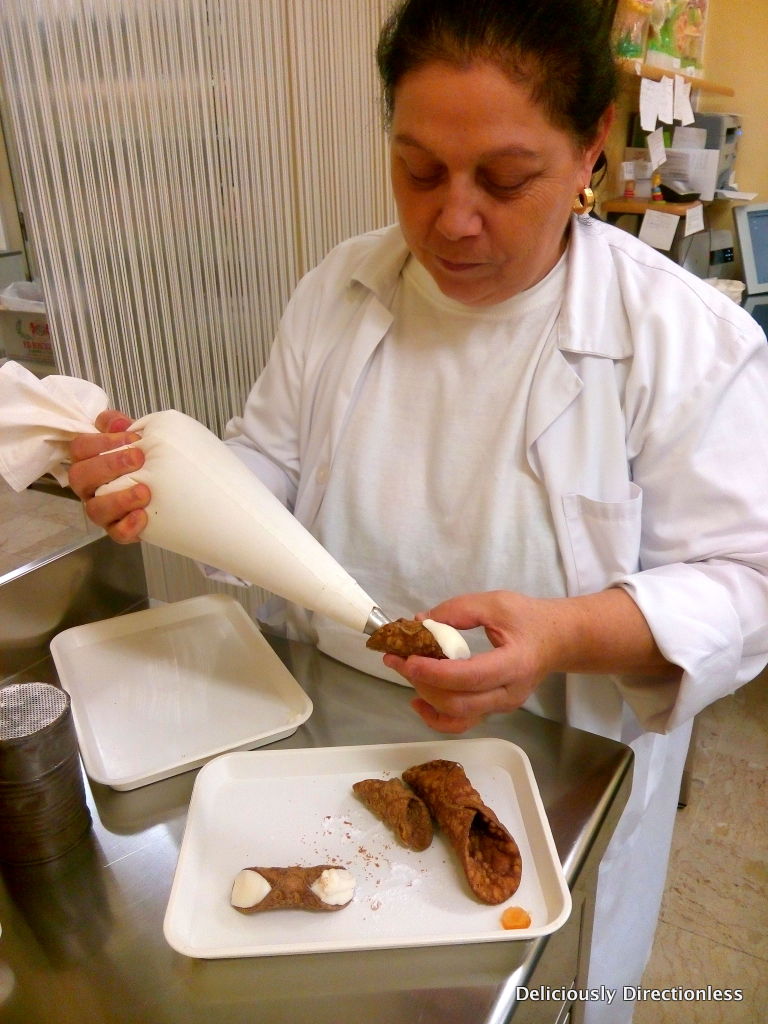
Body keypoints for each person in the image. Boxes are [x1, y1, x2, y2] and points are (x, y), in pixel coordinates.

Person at [68, 1, 768, 1020]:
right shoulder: (341, 289)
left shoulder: (681, 340)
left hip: (547, 774)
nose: (452, 220)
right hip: (324, 742)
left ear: (591, 147)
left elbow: (746, 584)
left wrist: (562, 633)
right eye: (419, 170)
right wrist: (170, 487)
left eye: (505, 179)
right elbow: (266, 467)